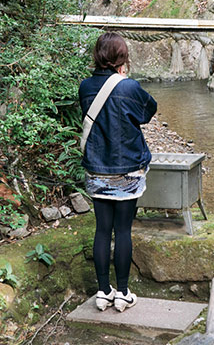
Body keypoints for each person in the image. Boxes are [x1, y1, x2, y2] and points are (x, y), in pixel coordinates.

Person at [78, 32, 157, 312]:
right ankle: (122, 293)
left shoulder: (86, 87)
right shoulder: (129, 87)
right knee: (123, 230)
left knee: (102, 230)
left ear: (98, 56)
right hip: (128, 172)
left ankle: (102, 292)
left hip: (97, 170)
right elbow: (149, 112)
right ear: (122, 59)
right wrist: (124, 79)